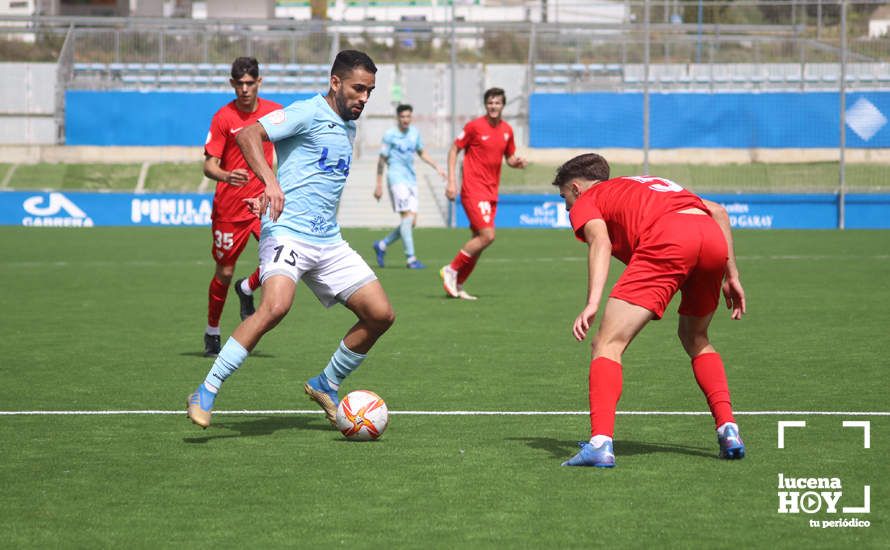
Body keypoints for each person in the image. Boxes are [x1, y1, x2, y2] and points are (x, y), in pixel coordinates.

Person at [187, 50, 395, 429]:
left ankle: (326, 384)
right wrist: (269, 182)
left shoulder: (348, 123)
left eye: (370, 91)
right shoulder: (307, 111)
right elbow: (250, 133)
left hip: (328, 240)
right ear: (335, 83)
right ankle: (206, 388)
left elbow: (310, 176)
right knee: (276, 306)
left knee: (381, 315)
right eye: (359, 89)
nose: (365, 98)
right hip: (287, 232)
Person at [552, 153, 746, 468]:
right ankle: (728, 429)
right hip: (710, 239)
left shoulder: (591, 198)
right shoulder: (640, 185)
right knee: (695, 337)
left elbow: (600, 242)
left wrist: (591, 303)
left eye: (565, 199)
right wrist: (732, 275)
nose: (567, 208)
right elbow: (719, 212)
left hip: (670, 238)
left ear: (576, 188)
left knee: (607, 343)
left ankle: (600, 443)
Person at [202, 57, 282, 356]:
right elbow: (209, 165)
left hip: (263, 203)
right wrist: (225, 174)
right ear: (232, 84)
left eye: (250, 83)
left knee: (284, 260)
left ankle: (247, 287)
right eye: (240, 84)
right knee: (224, 271)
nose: (245, 89)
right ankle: (212, 331)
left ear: (259, 82)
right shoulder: (224, 117)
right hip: (230, 207)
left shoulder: (274, 113)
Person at [440, 87, 527, 300]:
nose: (493, 106)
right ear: (485, 105)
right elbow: (454, 149)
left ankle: (458, 284)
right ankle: (451, 270)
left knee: (478, 239)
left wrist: (516, 163)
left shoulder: (507, 130)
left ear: (503, 105)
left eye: (497, 103)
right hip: (473, 189)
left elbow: (509, 157)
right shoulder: (474, 127)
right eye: (490, 103)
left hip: (491, 192)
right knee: (488, 235)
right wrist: (451, 181)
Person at [372, 104, 446, 269]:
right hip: (396, 178)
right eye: (402, 117)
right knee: (407, 217)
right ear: (398, 118)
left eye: (408, 116)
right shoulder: (390, 135)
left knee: (411, 222)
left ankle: (382, 245)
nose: (405, 119)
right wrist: (378, 185)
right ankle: (411, 259)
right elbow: (382, 160)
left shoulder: (414, 133)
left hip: (411, 180)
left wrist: (437, 167)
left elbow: (421, 152)